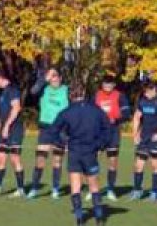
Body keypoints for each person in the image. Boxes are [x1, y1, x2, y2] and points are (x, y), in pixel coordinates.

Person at [50, 82, 112, 226]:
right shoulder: (96, 110)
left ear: (70, 95)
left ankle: (79, 219)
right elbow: (108, 128)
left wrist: (60, 144)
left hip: (74, 153)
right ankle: (99, 218)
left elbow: (53, 130)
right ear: (83, 92)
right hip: (90, 152)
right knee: (94, 185)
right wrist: (100, 145)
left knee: (75, 186)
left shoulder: (66, 112)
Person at [29, 67, 69, 199]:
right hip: (46, 129)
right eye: (51, 76)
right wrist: (44, 79)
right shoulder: (44, 89)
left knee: (57, 161)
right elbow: (33, 91)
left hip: (61, 130)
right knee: (40, 160)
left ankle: (55, 189)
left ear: (60, 78)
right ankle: (34, 188)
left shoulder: (66, 90)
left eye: (56, 75)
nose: (54, 79)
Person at [94, 74, 131, 201]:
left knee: (112, 162)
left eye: (110, 84)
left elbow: (127, 114)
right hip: (98, 134)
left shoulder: (120, 96)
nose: (107, 86)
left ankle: (110, 189)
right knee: (93, 161)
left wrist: (115, 119)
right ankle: (94, 189)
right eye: (105, 83)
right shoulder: (96, 95)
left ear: (114, 85)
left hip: (113, 133)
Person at [0, 69, 25, 198]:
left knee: (14, 158)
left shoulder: (13, 90)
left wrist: (6, 126)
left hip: (14, 129)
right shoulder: (2, 92)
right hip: (3, 129)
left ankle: (20, 189)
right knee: (0, 159)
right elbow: (4, 111)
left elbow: (16, 108)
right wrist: (0, 124)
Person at [130, 81, 157, 201]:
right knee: (138, 166)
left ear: (155, 90)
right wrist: (135, 134)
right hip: (144, 138)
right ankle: (137, 190)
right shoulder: (142, 101)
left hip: (155, 138)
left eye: (149, 91)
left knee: (155, 165)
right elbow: (136, 117)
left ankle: (154, 192)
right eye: (145, 91)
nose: (147, 93)